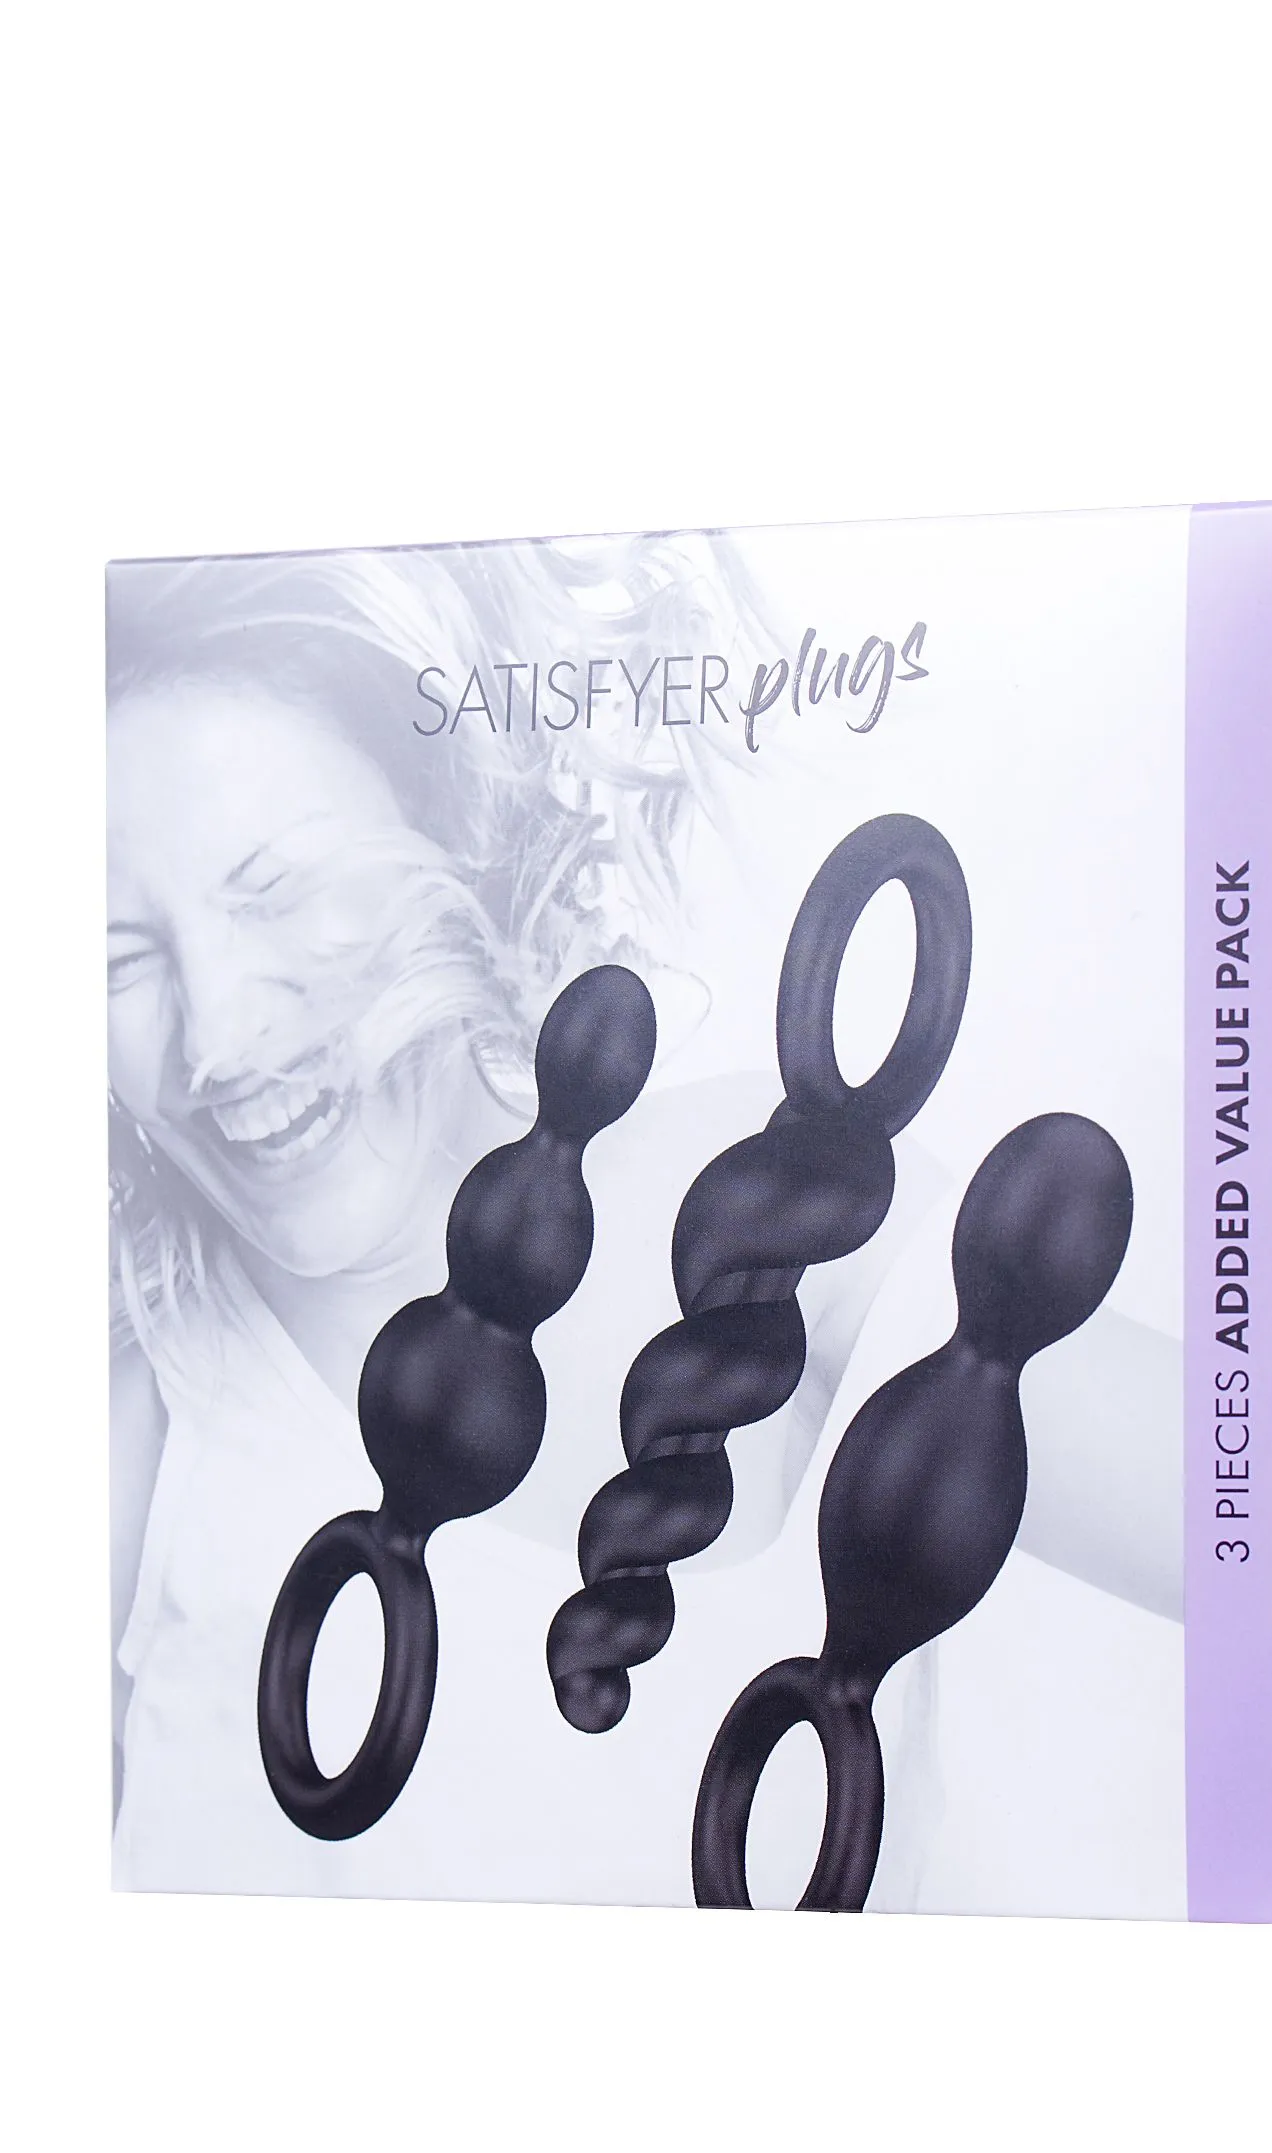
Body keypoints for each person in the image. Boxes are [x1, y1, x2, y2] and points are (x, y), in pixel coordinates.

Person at [107, 534, 1181, 1909]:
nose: (216, 1036)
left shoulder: (782, 1227)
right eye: (117, 960)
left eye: (277, 889)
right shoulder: (131, 1427)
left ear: (444, 829)